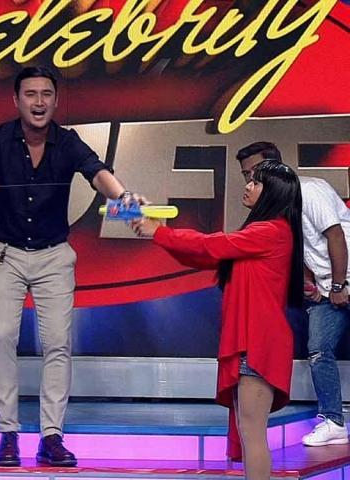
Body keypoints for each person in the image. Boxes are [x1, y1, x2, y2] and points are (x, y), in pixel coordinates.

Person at [0, 66, 142, 467]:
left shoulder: (68, 141)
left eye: (46, 94)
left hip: (54, 256)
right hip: (5, 254)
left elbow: (98, 173)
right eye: (31, 94)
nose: (39, 102)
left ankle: (52, 437)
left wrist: (125, 199)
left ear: (55, 100)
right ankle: (7, 434)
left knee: (58, 342)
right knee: (2, 336)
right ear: (17, 100)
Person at [134, 160, 303, 480]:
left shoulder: (271, 231)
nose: (248, 186)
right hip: (253, 341)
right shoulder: (265, 232)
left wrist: (160, 232)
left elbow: (210, 245)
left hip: (258, 342)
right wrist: (159, 233)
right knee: (249, 431)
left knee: (252, 433)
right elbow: (202, 254)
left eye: (256, 182)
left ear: (274, 192)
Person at [236, 141, 350, 447]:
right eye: (246, 174)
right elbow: (296, 245)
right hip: (327, 286)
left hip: (341, 280)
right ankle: (333, 422)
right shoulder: (276, 205)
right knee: (319, 349)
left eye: (256, 171)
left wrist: (339, 285)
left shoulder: (309, 190)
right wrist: (310, 281)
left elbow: (335, 235)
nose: (250, 179)